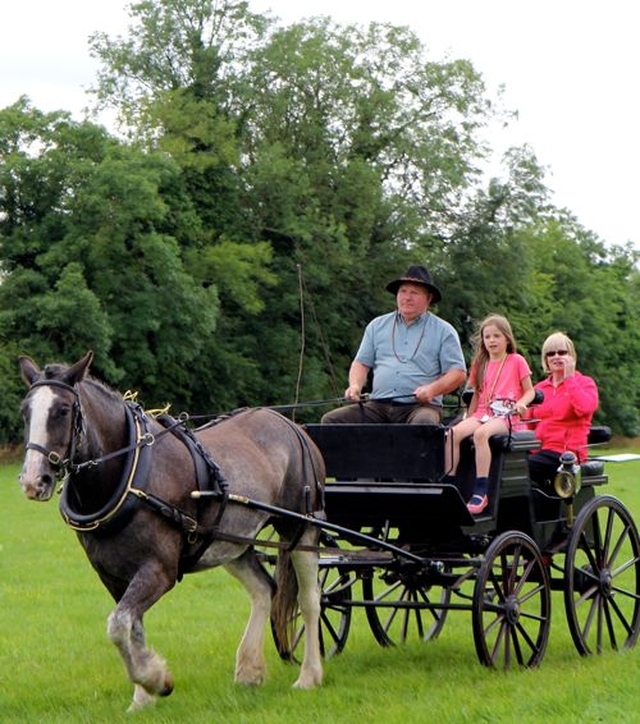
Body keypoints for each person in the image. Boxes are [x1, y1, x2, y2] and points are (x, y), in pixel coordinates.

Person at [321, 265, 466, 425]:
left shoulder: (444, 330)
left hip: (420, 407)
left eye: (414, 293)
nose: (407, 297)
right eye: (403, 291)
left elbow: (457, 373)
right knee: (331, 420)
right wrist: (355, 386)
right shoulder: (377, 325)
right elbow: (361, 363)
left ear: (429, 298)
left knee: (424, 423)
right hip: (378, 405)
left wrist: (432, 390)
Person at [444, 314, 535, 515]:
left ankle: (481, 490)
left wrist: (521, 403)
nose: (492, 340)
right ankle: (449, 485)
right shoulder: (480, 363)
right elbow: (475, 393)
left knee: (481, 435)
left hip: (507, 415)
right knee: (451, 434)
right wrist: (466, 416)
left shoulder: (516, 360)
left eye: (497, 336)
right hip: (483, 412)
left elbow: (530, 391)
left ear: (507, 339)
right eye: (487, 337)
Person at [527, 332, 599, 486]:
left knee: (524, 466)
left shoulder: (585, 383)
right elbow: (528, 424)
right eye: (551, 353)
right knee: (506, 464)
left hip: (566, 453)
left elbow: (584, 408)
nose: (556, 356)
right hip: (539, 451)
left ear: (571, 356)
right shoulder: (539, 389)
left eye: (562, 352)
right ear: (545, 359)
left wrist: (569, 379)